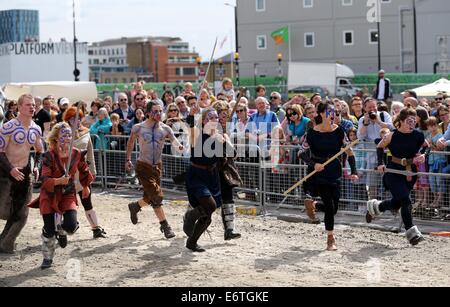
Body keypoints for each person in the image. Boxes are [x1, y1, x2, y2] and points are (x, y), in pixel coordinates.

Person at [29, 122, 94, 269]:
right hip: (50, 195)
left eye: (70, 135)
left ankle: (62, 230)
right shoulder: (48, 156)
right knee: (49, 230)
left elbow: (84, 170)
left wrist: (85, 186)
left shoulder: (77, 153)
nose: (68, 137)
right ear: (56, 139)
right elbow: (44, 181)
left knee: (71, 225)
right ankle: (47, 258)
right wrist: (58, 180)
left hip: (68, 193)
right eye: (64, 135)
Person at [300, 101, 358, 251]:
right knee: (330, 205)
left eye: (333, 112)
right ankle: (330, 238)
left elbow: (349, 152)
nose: (332, 115)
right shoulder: (311, 133)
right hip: (318, 171)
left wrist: (354, 171)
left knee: (334, 208)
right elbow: (301, 153)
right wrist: (314, 164)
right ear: (320, 113)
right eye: (328, 111)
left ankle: (314, 205)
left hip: (334, 170)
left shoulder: (339, 131)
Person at [366, 108, 429, 246]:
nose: (412, 124)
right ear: (400, 121)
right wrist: (380, 163)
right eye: (409, 121)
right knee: (406, 201)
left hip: (410, 172)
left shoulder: (418, 135)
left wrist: (424, 154)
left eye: (414, 121)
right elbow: (379, 147)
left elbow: (427, 146)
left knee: (397, 202)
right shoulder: (391, 135)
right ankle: (412, 234)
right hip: (393, 171)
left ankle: (376, 207)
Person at [125, 102, 184, 239]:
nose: (159, 114)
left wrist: (179, 146)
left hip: (157, 166)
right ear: (148, 112)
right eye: (155, 111)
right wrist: (128, 160)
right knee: (157, 196)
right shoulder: (138, 128)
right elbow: (130, 143)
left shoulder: (165, 129)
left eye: (160, 111)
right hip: (143, 166)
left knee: (149, 197)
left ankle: (135, 206)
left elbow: (174, 141)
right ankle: (165, 226)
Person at [183, 106, 235, 252]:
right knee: (210, 206)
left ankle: (192, 242)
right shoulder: (198, 134)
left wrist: (224, 141)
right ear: (204, 121)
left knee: (208, 215)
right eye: (210, 117)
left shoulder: (220, 136)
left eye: (216, 117)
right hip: (196, 175)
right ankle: (190, 215)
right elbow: (190, 126)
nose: (214, 120)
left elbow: (233, 153)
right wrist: (191, 115)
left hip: (212, 176)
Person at [0, 94, 44, 253]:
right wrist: (10, 169)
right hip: (5, 173)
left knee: (22, 213)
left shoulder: (36, 129)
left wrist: (37, 167)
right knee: (4, 211)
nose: (32, 107)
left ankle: (6, 243)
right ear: (19, 107)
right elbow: (0, 151)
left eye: (33, 105)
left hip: (25, 173)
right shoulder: (8, 127)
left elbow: (40, 151)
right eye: (27, 105)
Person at [63, 106, 106, 239]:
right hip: (66, 174)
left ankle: (96, 228)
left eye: (79, 118)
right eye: (72, 118)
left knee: (87, 200)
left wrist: (92, 171)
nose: (76, 121)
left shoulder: (86, 132)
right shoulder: (63, 133)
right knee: (65, 203)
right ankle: (63, 227)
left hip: (82, 173)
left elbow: (90, 154)